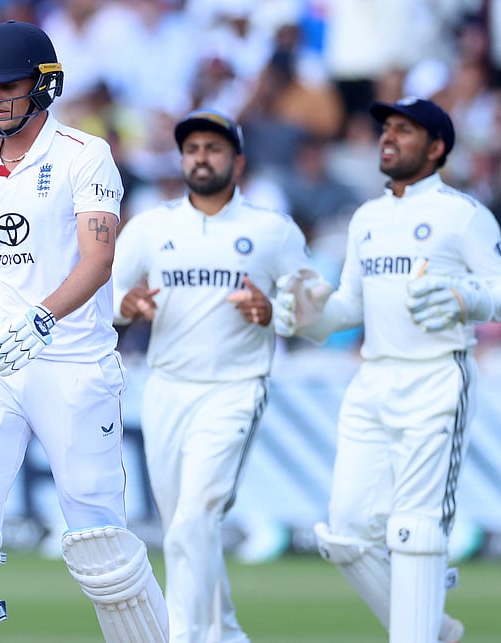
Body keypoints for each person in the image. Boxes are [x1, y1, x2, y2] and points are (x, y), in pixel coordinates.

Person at [0, 20, 168, 643]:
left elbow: (99, 260)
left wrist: (41, 319)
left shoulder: (83, 154)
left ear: (45, 85)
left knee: (99, 540)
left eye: (6, 85)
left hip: (72, 361)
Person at [274, 97, 501, 643]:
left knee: (414, 529)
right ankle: (434, 627)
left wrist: (467, 297)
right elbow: (347, 308)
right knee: (343, 534)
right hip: (372, 380)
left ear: (437, 148)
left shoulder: (464, 215)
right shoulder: (366, 218)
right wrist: (309, 315)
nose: (388, 138)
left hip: (437, 377)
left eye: (405, 131)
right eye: (386, 129)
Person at [113, 109, 312, 643]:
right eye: (192, 148)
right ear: (181, 159)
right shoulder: (152, 228)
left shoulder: (272, 231)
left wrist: (275, 311)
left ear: (238, 161)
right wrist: (125, 305)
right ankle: (225, 633)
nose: (201, 157)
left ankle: (185, 636)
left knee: (195, 518)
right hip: (166, 388)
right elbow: (103, 298)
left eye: (214, 148)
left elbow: (314, 306)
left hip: (235, 388)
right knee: (184, 523)